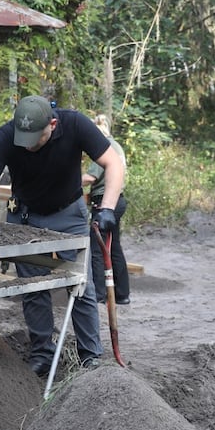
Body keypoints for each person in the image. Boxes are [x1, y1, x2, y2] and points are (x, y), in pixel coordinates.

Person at [0, 95, 124, 377]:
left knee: (81, 285)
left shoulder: (75, 124)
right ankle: (42, 352)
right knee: (33, 286)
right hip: (26, 216)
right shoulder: (5, 135)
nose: (26, 145)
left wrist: (108, 207)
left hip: (69, 214)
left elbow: (113, 163)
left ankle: (90, 358)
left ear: (52, 124)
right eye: (22, 138)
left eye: (34, 138)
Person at [84, 113, 131, 305]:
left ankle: (98, 294)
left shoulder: (103, 147)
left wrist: (66, 183)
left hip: (104, 203)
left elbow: (90, 178)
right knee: (115, 247)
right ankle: (122, 294)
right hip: (118, 201)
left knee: (96, 248)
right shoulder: (117, 145)